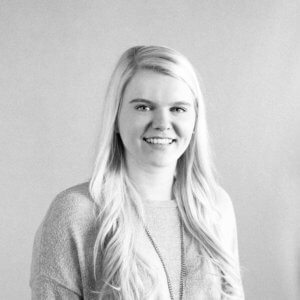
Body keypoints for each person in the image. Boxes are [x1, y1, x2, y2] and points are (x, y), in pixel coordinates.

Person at [30, 45, 244, 299]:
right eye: (143, 107)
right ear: (116, 118)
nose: (163, 123)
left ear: (195, 119)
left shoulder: (215, 207)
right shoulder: (75, 212)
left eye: (178, 109)